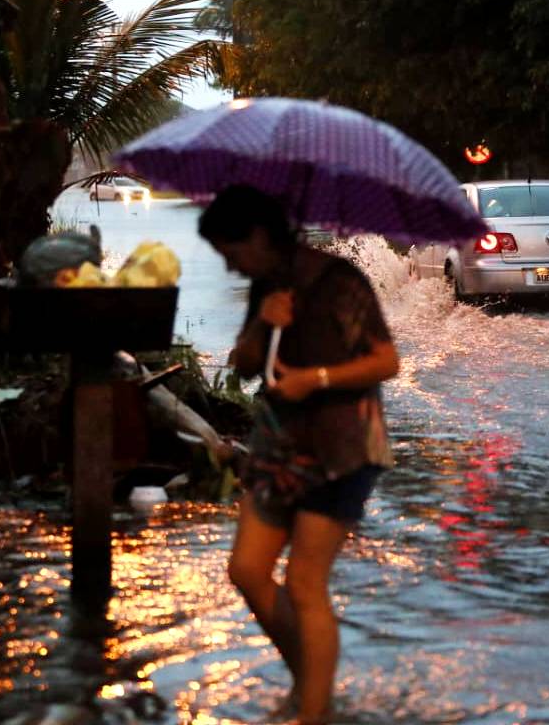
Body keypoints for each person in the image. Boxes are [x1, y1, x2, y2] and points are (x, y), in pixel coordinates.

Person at [197, 184, 399, 725]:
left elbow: (386, 362)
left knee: (305, 583)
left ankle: (313, 713)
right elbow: (242, 368)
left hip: (343, 447)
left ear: (259, 236)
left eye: (232, 253)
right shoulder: (268, 283)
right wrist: (265, 320)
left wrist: (317, 379)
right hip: (278, 443)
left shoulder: (339, 282)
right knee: (247, 571)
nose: (231, 267)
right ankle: (313, 689)